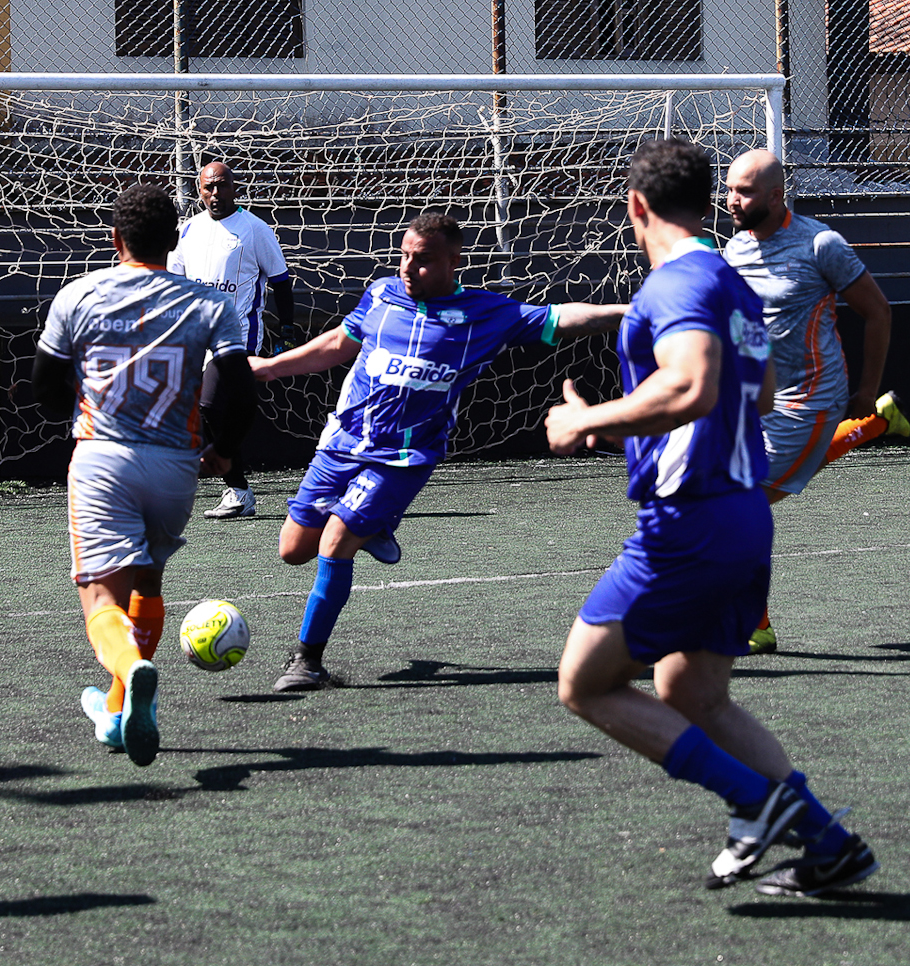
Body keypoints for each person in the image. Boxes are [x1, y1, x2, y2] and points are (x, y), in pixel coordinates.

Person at [545, 139, 878, 899]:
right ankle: (830, 847)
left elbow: (693, 387)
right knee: (695, 697)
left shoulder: (678, 282)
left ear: (636, 207)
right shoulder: (733, 281)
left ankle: (758, 802)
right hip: (741, 516)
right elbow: (754, 395)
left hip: (687, 524)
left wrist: (589, 419)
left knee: (584, 685)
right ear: (706, 201)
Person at [248, 211, 628, 694]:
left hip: (403, 459)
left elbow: (562, 316)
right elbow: (338, 343)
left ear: (455, 262)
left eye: (422, 261)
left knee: (334, 542)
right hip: (341, 444)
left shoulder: (484, 314)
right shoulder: (382, 293)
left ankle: (307, 661)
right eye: (404, 256)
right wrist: (272, 368)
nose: (408, 268)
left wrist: (628, 313)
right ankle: (376, 526)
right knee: (293, 550)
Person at [32, 183, 258, 767]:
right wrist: (224, 450)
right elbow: (237, 382)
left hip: (104, 459)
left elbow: (45, 387)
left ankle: (131, 669)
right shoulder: (209, 304)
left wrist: (78, 402)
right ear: (174, 239)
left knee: (100, 595)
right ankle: (123, 712)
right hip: (175, 468)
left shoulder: (78, 295)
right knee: (148, 583)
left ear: (115, 238)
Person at [723, 148, 909, 653]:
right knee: (728, 500)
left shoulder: (820, 244)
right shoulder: (733, 251)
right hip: (754, 403)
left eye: (744, 191)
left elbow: (878, 313)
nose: (732, 200)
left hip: (812, 401)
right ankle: (876, 426)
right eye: (729, 188)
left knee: (739, 506)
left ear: (777, 194)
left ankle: (754, 623)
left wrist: (866, 391)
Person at [169, 160, 295, 521]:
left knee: (209, 405)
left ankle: (236, 489)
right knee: (200, 410)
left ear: (234, 187)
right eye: (208, 187)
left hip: (237, 336)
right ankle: (237, 490)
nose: (215, 193)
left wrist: (285, 331)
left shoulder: (254, 229)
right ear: (199, 190)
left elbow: (281, 281)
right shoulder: (188, 231)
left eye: (222, 185)